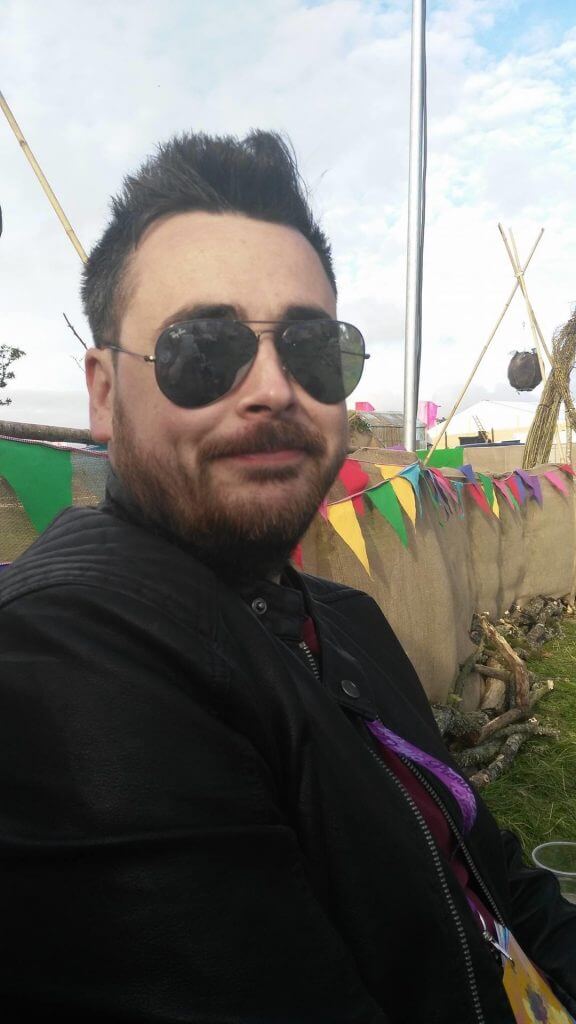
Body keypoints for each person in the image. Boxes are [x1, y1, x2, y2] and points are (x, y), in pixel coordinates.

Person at [0, 131, 574, 1024]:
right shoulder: (65, 654)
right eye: (203, 349)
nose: (274, 388)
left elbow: (489, 874)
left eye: (313, 349)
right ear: (105, 392)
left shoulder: (341, 619)